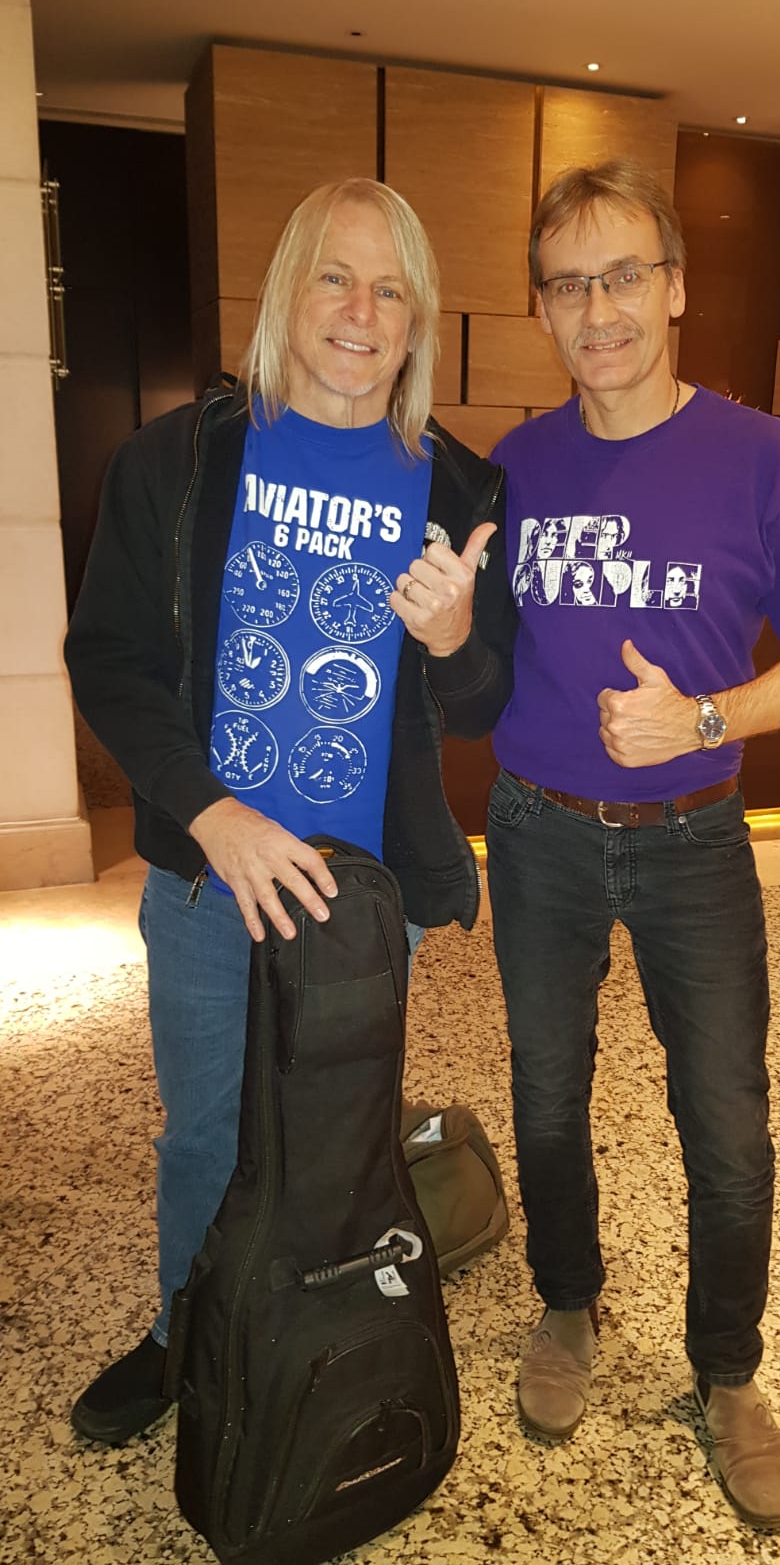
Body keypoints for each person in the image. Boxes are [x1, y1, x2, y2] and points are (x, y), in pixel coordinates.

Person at [64, 178, 516, 1445]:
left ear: (417, 320)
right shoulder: (178, 461)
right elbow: (110, 661)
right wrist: (211, 813)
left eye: (390, 289)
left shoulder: (461, 489)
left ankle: (316, 1331)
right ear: (287, 291)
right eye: (335, 276)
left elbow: (484, 702)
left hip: (366, 902)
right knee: (205, 1133)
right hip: (211, 878)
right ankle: (184, 1335)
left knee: (339, 1139)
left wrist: (455, 638)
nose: (360, 312)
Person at [485, 157, 780, 1531]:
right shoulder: (514, 469)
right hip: (534, 835)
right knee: (547, 1093)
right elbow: (472, 655)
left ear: (673, 287)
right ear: (543, 308)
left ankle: (728, 1370)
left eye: (622, 276)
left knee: (725, 1118)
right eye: (567, 284)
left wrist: (706, 716)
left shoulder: (765, 459)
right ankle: (566, 1301)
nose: (596, 309)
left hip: (694, 838)